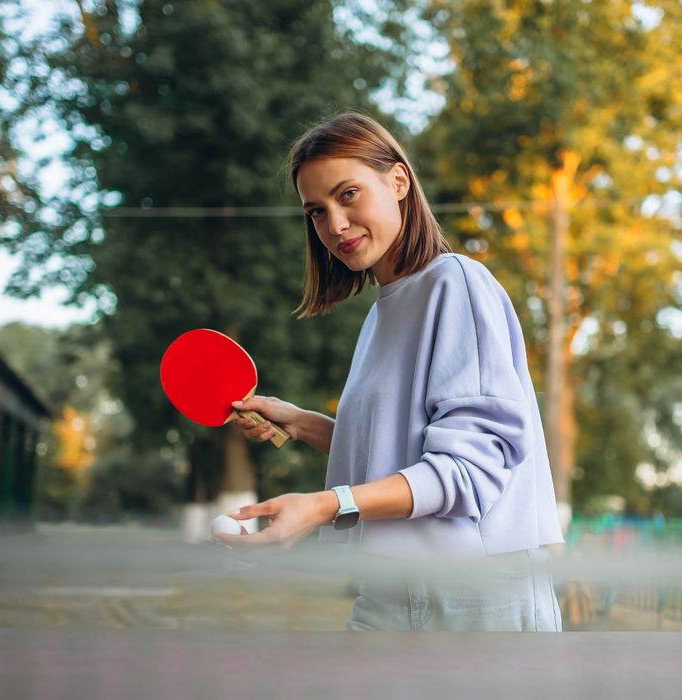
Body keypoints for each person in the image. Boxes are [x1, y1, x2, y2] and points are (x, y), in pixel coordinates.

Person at [215, 112, 564, 631]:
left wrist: (323, 507)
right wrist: (303, 422)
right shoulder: (382, 313)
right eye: (316, 211)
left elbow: (466, 474)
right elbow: (405, 456)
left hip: (477, 592)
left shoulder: (456, 284)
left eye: (348, 194)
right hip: (389, 585)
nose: (334, 225)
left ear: (398, 180)